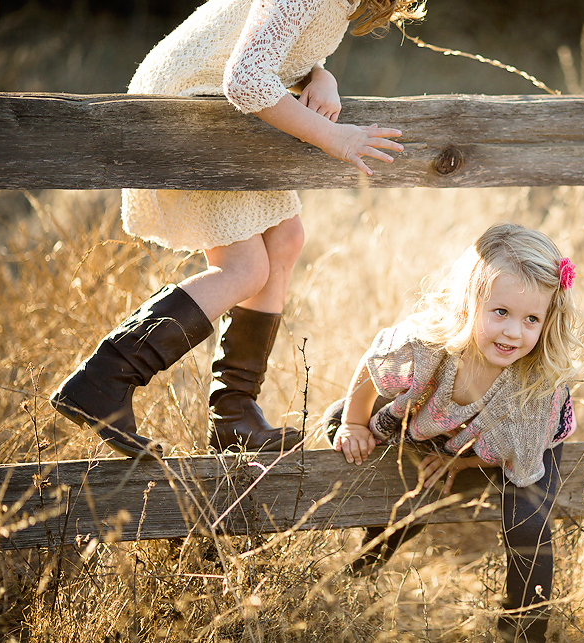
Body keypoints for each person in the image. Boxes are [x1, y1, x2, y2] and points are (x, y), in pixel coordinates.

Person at [50, 0, 425, 458]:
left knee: (285, 238)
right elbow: (246, 78)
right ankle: (104, 379)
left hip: (222, 112)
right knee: (244, 270)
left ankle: (234, 416)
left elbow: (272, 37)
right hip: (189, 110)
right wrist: (336, 137)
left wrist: (319, 75)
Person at [324, 222, 584, 642]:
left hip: (527, 446)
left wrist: (461, 460)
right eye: (500, 312)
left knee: (528, 522)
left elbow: (516, 452)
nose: (513, 332)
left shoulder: (535, 388)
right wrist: (355, 424)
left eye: (531, 318)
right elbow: (371, 368)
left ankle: (523, 630)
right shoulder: (427, 345)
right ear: (469, 302)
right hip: (443, 427)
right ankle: (358, 574)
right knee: (357, 439)